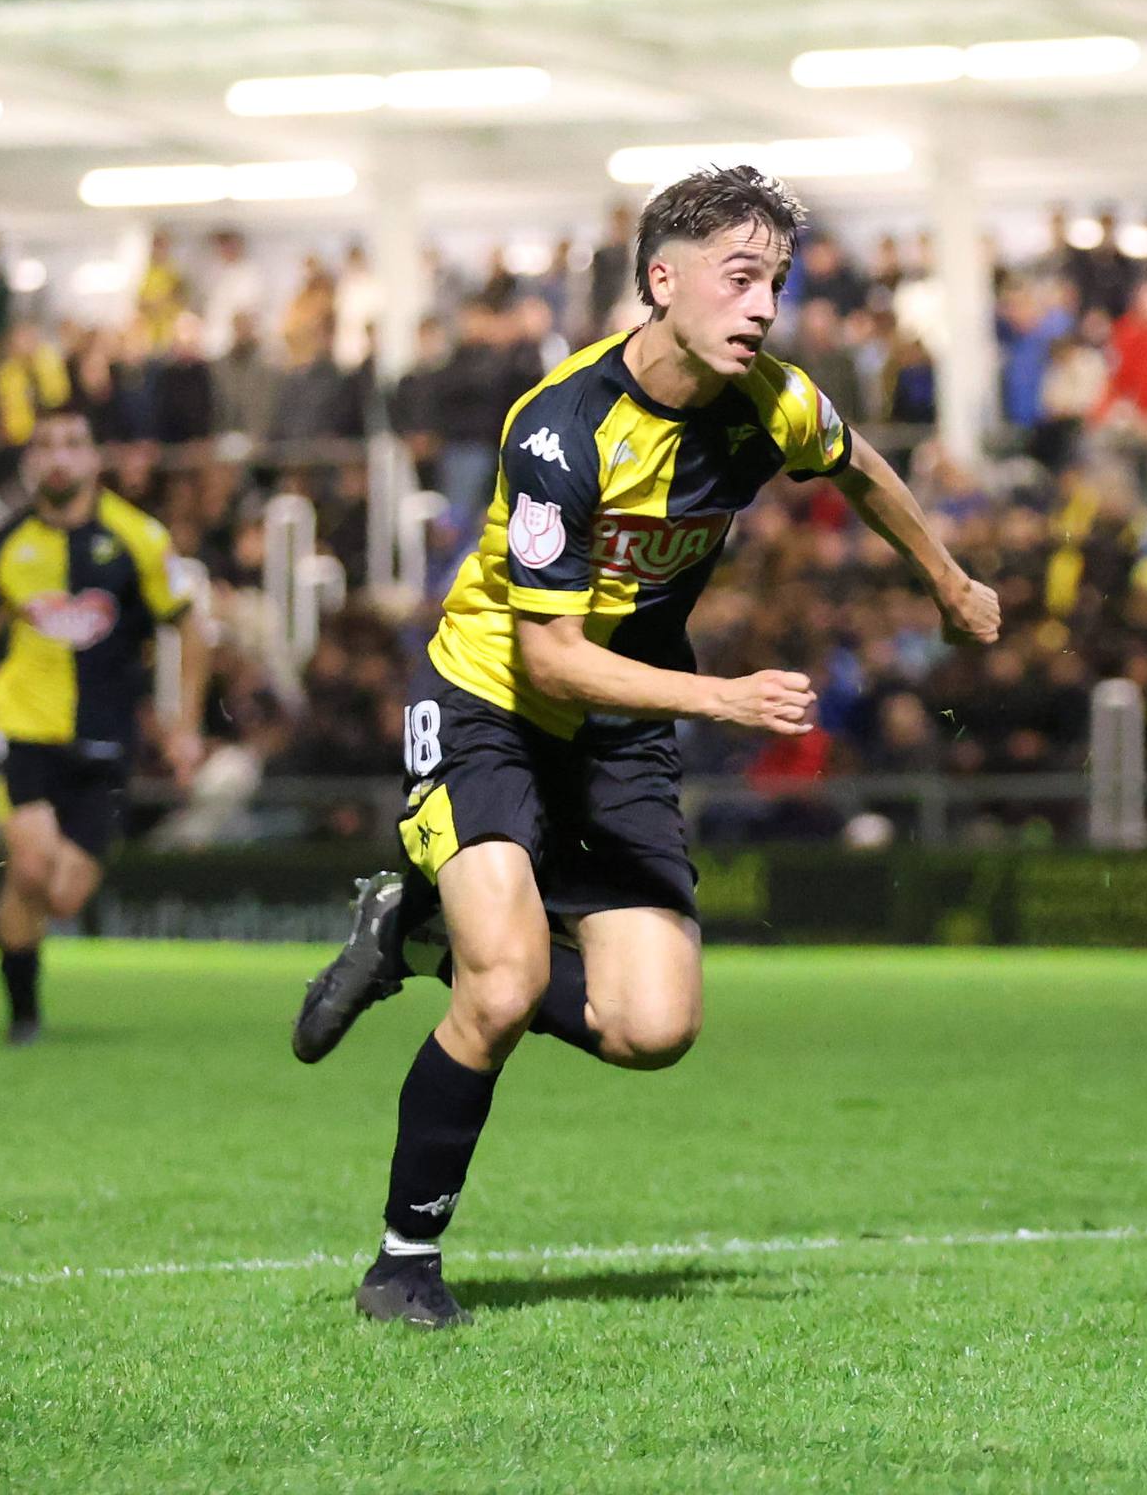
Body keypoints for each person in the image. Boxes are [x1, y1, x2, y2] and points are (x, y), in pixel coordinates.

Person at [288, 165, 1001, 1330]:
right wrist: (720, 700)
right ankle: (400, 1266)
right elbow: (553, 656)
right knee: (510, 980)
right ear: (660, 281)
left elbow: (862, 467)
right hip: (492, 707)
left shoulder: (772, 399)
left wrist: (948, 580)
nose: (764, 305)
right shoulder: (561, 430)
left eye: (774, 280)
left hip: (619, 730)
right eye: (739, 278)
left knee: (653, 1028)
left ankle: (411, 936)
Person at [0, 406, 206, 1043]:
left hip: (109, 740)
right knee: (30, 867)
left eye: (73, 444)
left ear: (93, 459)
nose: (59, 457)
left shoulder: (138, 537)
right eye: (47, 445)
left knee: (62, 896)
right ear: (32, 461)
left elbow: (191, 627)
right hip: (26, 732)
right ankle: (23, 1018)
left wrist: (186, 723)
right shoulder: (3, 546)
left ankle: (15, 953)